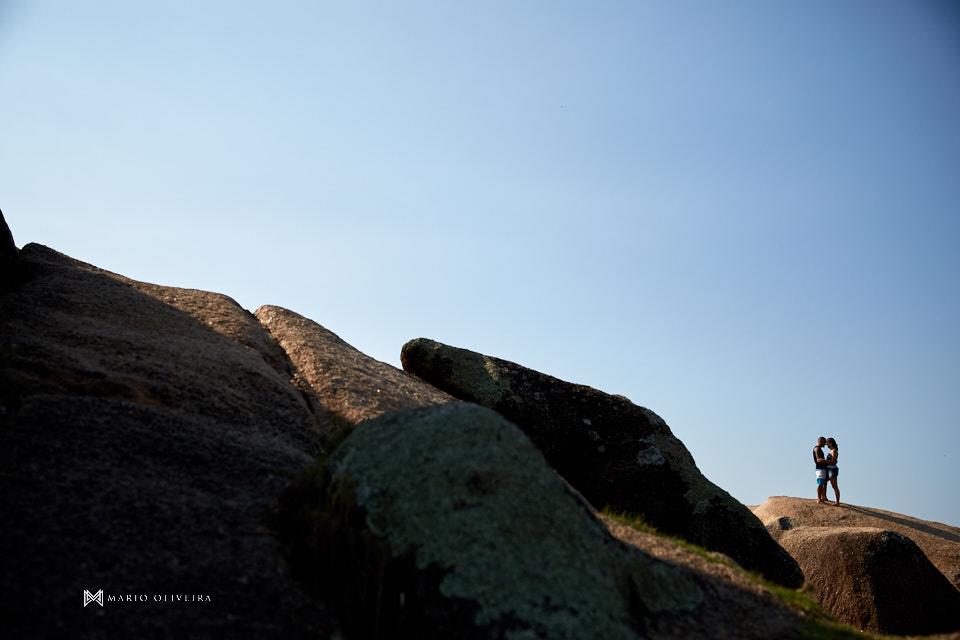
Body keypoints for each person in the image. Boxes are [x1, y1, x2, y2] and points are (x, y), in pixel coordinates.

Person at [813, 436, 828, 503]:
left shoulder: (819, 449)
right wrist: (828, 462)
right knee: (820, 483)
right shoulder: (817, 449)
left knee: (823, 482)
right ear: (820, 441)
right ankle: (819, 498)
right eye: (824, 442)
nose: (825, 444)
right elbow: (818, 459)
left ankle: (823, 497)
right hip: (820, 468)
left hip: (822, 468)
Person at [825, 437, 840, 505]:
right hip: (828, 468)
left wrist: (824, 461)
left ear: (830, 443)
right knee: (824, 482)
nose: (826, 445)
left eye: (827, 443)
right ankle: (824, 497)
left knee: (834, 485)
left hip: (832, 468)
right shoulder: (831, 451)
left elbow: (833, 461)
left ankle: (837, 502)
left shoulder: (834, 451)